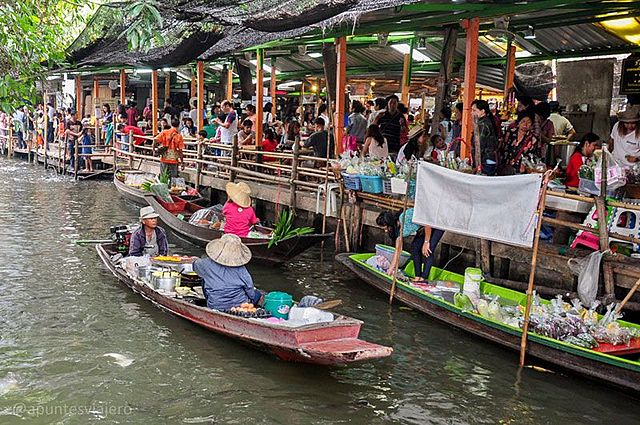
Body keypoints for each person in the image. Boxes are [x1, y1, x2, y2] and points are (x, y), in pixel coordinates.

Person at [193, 234, 263, 311]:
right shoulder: (241, 269)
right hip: (240, 306)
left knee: (204, 278)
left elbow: (195, 266)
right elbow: (250, 290)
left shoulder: (204, 264)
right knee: (257, 294)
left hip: (215, 305)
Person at [376, 210, 444, 283]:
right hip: (423, 228)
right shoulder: (397, 231)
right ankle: (417, 276)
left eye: (386, 228)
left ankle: (424, 278)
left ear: (390, 223)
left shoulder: (406, 216)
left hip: (435, 222)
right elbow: (398, 251)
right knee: (415, 247)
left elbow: (427, 223)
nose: (386, 231)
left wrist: (426, 242)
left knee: (428, 249)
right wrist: (390, 269)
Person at [500, 110, 540, 175]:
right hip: (506, 169)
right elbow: (503, 149)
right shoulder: (510, 133)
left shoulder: (533, 139)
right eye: (523, 121)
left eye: (529, 122)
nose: (525, 125)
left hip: (522, 172)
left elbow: (534, 156)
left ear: (531, 125)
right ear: (518, 122)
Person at [471, 99, 499, 176]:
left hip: (485, 161)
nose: (471, 113)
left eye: (474, 110)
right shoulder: (486, 121)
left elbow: (479, 146)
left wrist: (476, 165)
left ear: (482, 111)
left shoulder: (482, 125)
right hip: (490, 160)